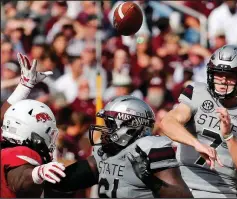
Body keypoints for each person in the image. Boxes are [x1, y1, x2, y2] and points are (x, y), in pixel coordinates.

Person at [160, 45, 237, 198]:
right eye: (218, 74)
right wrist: (196, 144)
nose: (223, 81)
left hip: (219, 191)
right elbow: (167, 122)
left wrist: (229, 136)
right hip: (181, 182)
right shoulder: (198, 92)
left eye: (230, 76)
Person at [44, 95, 193, 198]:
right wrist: (41, 169)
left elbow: (183, 195)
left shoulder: (150, 148)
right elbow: (67, 181)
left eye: (110, 124)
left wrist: (151, 180)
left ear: (131, 125)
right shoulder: (106, 151)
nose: (105, 130)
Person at [0, 53, 66, 197]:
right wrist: (36, 174)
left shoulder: (5, 138)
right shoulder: (22, 152)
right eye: (47, 130)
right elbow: (20, 179)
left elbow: (4, 115)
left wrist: (24, 86)